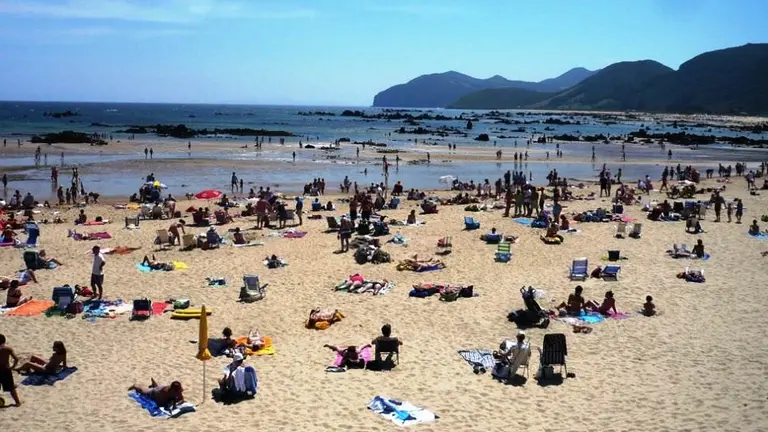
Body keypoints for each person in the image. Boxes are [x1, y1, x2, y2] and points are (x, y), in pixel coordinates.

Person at [0, 334, 21, 406]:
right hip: (6, 370)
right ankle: (17, 402)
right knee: (11, 388)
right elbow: (16, 359)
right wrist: (12, 367)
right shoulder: (8, 349)